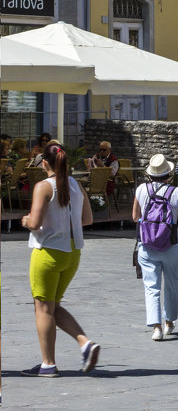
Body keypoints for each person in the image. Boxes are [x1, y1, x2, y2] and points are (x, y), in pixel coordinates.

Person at [20, 141, 100, 377]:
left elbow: (34, 223)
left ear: (44, 162)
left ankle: (48, 364)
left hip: (48, 252)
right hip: (72, 253)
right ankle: (85, 343)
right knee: (53, 307)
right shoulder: (75, 185)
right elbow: (87, 219)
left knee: (43, 309)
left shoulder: (44, 186)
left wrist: (25, 221)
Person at [132, 153, 178, 341]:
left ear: (150, 175)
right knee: (172, 284)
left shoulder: (142, 189)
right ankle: (169, 323)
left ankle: (156, 328)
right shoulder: (177, 193)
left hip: (147, 245)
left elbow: (135, 217)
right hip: (172, 246)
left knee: (151, 287)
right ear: (168, 174)